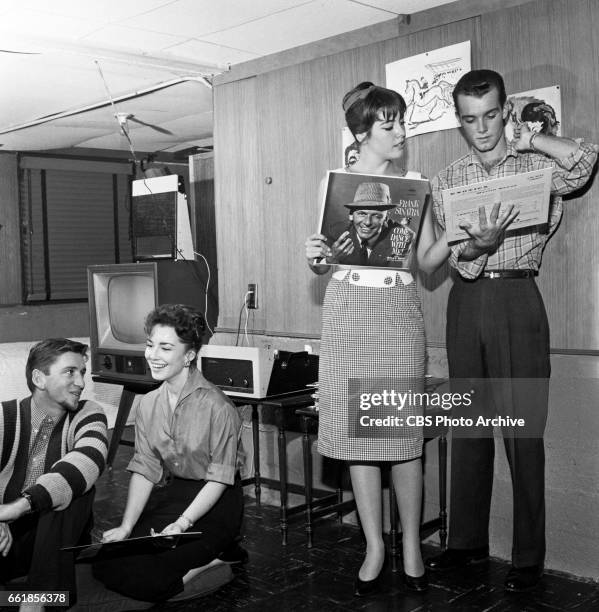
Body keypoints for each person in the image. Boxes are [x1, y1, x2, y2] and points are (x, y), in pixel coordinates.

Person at [425, 69, 598, 591]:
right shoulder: (447, 179)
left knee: (524, 433)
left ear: (506, 110)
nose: (482, 128)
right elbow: (452, 260)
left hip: (520, 299)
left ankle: (528, 557)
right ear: (459, 120)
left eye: (492, 115)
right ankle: (466, 544)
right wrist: (476, 249)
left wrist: (535, 136)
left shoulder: (535, 162)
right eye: (470, 119)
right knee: (469, 428)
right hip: (467, 302)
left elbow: (586, 162)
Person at [305, 81, 450, 597]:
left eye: (402, 122)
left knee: (403, 436)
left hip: (397, 310)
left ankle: (411, 543)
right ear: (363, 132)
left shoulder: (416, 186)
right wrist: (315, 256)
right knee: (359, 438)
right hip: (347, 313)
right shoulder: (335, 185)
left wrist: (458, 236)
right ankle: (374, 546)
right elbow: (325, 261)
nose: (401, 133)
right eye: (390, 125)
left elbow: (429, 260)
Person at [92, 304, 244, 603]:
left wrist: (181, 524)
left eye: (165, 348)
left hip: (217, 500)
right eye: (150, 345)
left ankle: (217, 558)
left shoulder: (218, 407)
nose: (152, 355)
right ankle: (204, 556)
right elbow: (145, 469)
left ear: (189, 355)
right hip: (176, 493)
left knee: (149, 579)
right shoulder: (148, 403)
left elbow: (219, 479)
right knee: (106, 562)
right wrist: (125, 526)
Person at [0, 338, 108, 612]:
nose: (81, 382)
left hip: (61, 537)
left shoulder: (89, 412)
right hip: (11, 539)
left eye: (82, 373)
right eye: (70, 372)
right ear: (39, 378)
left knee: (70, 486)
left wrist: (20, 506)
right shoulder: (4, 416)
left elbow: (89, 458)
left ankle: (37, 601)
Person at [330, 181, 403, 267]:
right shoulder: (336, 232)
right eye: (362, 214)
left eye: (376, 215)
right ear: (351, 215)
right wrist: (332, 258)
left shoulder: (401, 237)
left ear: (386, 217)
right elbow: (319, 269)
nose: (367, 222)